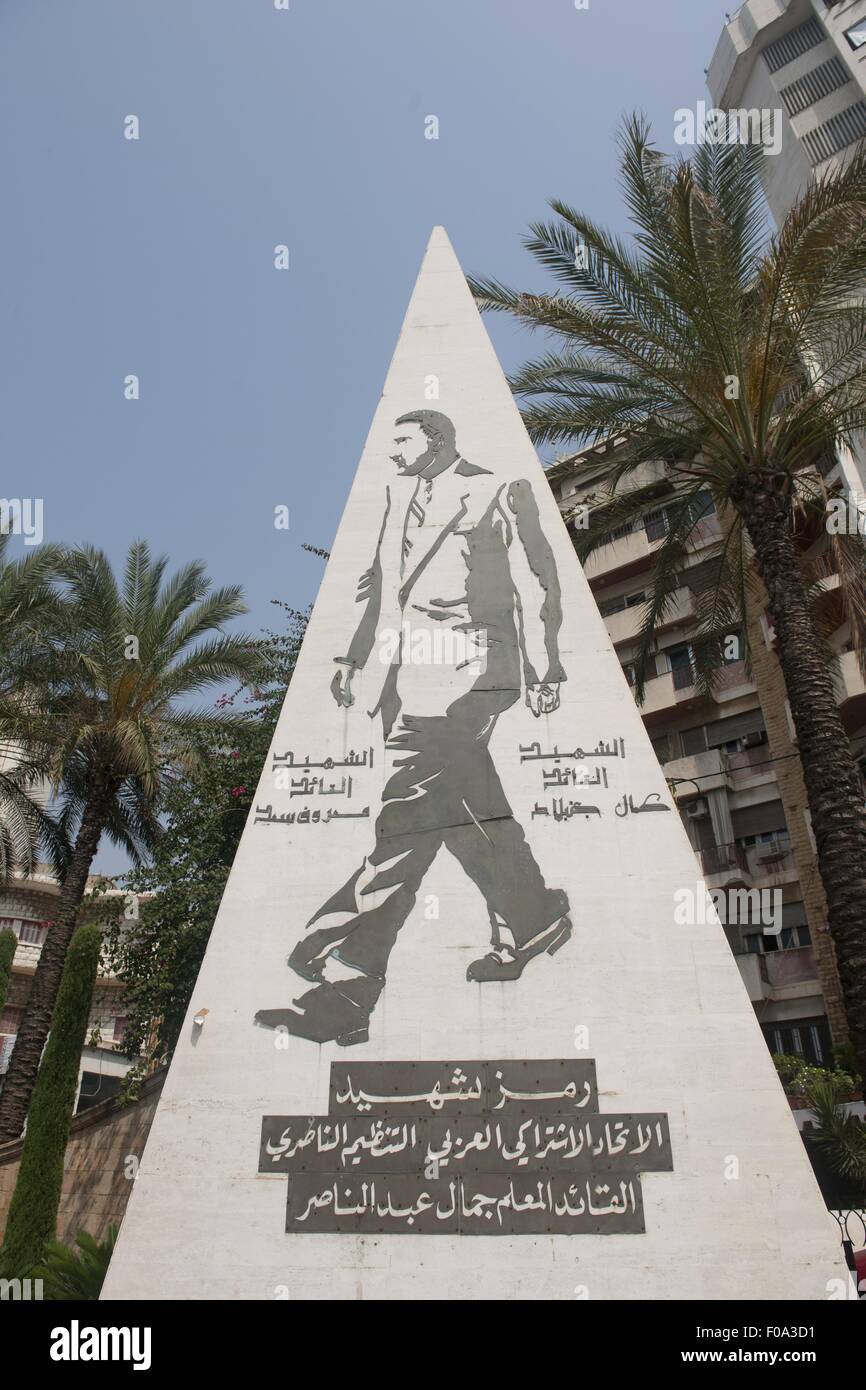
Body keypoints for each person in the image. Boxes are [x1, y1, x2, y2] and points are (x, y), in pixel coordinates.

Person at [256, 409, 570, 1046]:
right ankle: (534, 917)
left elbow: (538, 583)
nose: (390, 450)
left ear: (436, 440)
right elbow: (382, 588)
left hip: (473, 676)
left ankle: (338, 963)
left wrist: (547, 667)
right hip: (408, 683)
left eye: (401, 439)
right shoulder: (397, 499)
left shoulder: (495, 489)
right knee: (462, 815)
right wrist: (353, 655)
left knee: (404, 817)